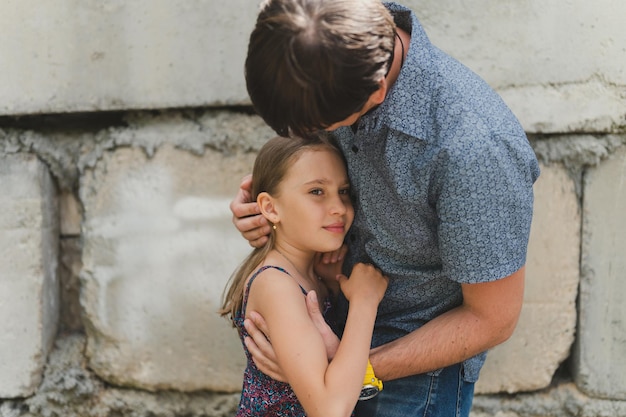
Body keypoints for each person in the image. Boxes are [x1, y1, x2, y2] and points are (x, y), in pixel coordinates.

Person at [231, 1, 541, 416]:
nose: (306, 135)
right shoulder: (328, 38)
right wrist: (269, 219)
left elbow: (493, 319)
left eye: (318, 126)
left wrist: (350, 366)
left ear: (377, 92)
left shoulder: (473, 148)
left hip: (413, 379)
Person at [220, 135, 389, 417]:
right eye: (316, 192)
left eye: (344, 191)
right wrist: (364, 303)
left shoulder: (310, 274)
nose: (339, 207)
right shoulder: (276, 284)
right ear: (271, 208)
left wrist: (332, 286)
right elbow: (330, 411)